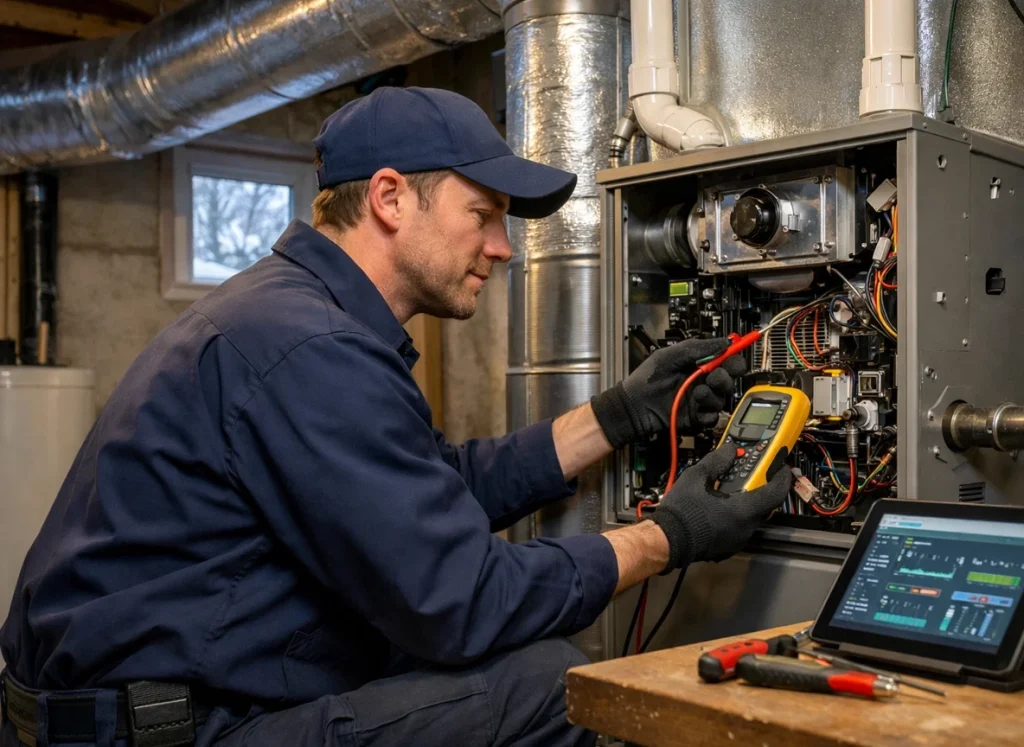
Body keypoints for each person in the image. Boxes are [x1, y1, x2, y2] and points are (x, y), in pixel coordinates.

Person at [0, 87, 791, 747]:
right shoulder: (308, 347)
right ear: (389, 198)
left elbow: (431, 489)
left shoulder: (290, 315)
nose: (503, 246)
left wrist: (617, 415)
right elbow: (461, 599)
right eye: (482, 214)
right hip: (163, 734)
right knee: (553, 685)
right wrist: (669, 535)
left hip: (153, 709)